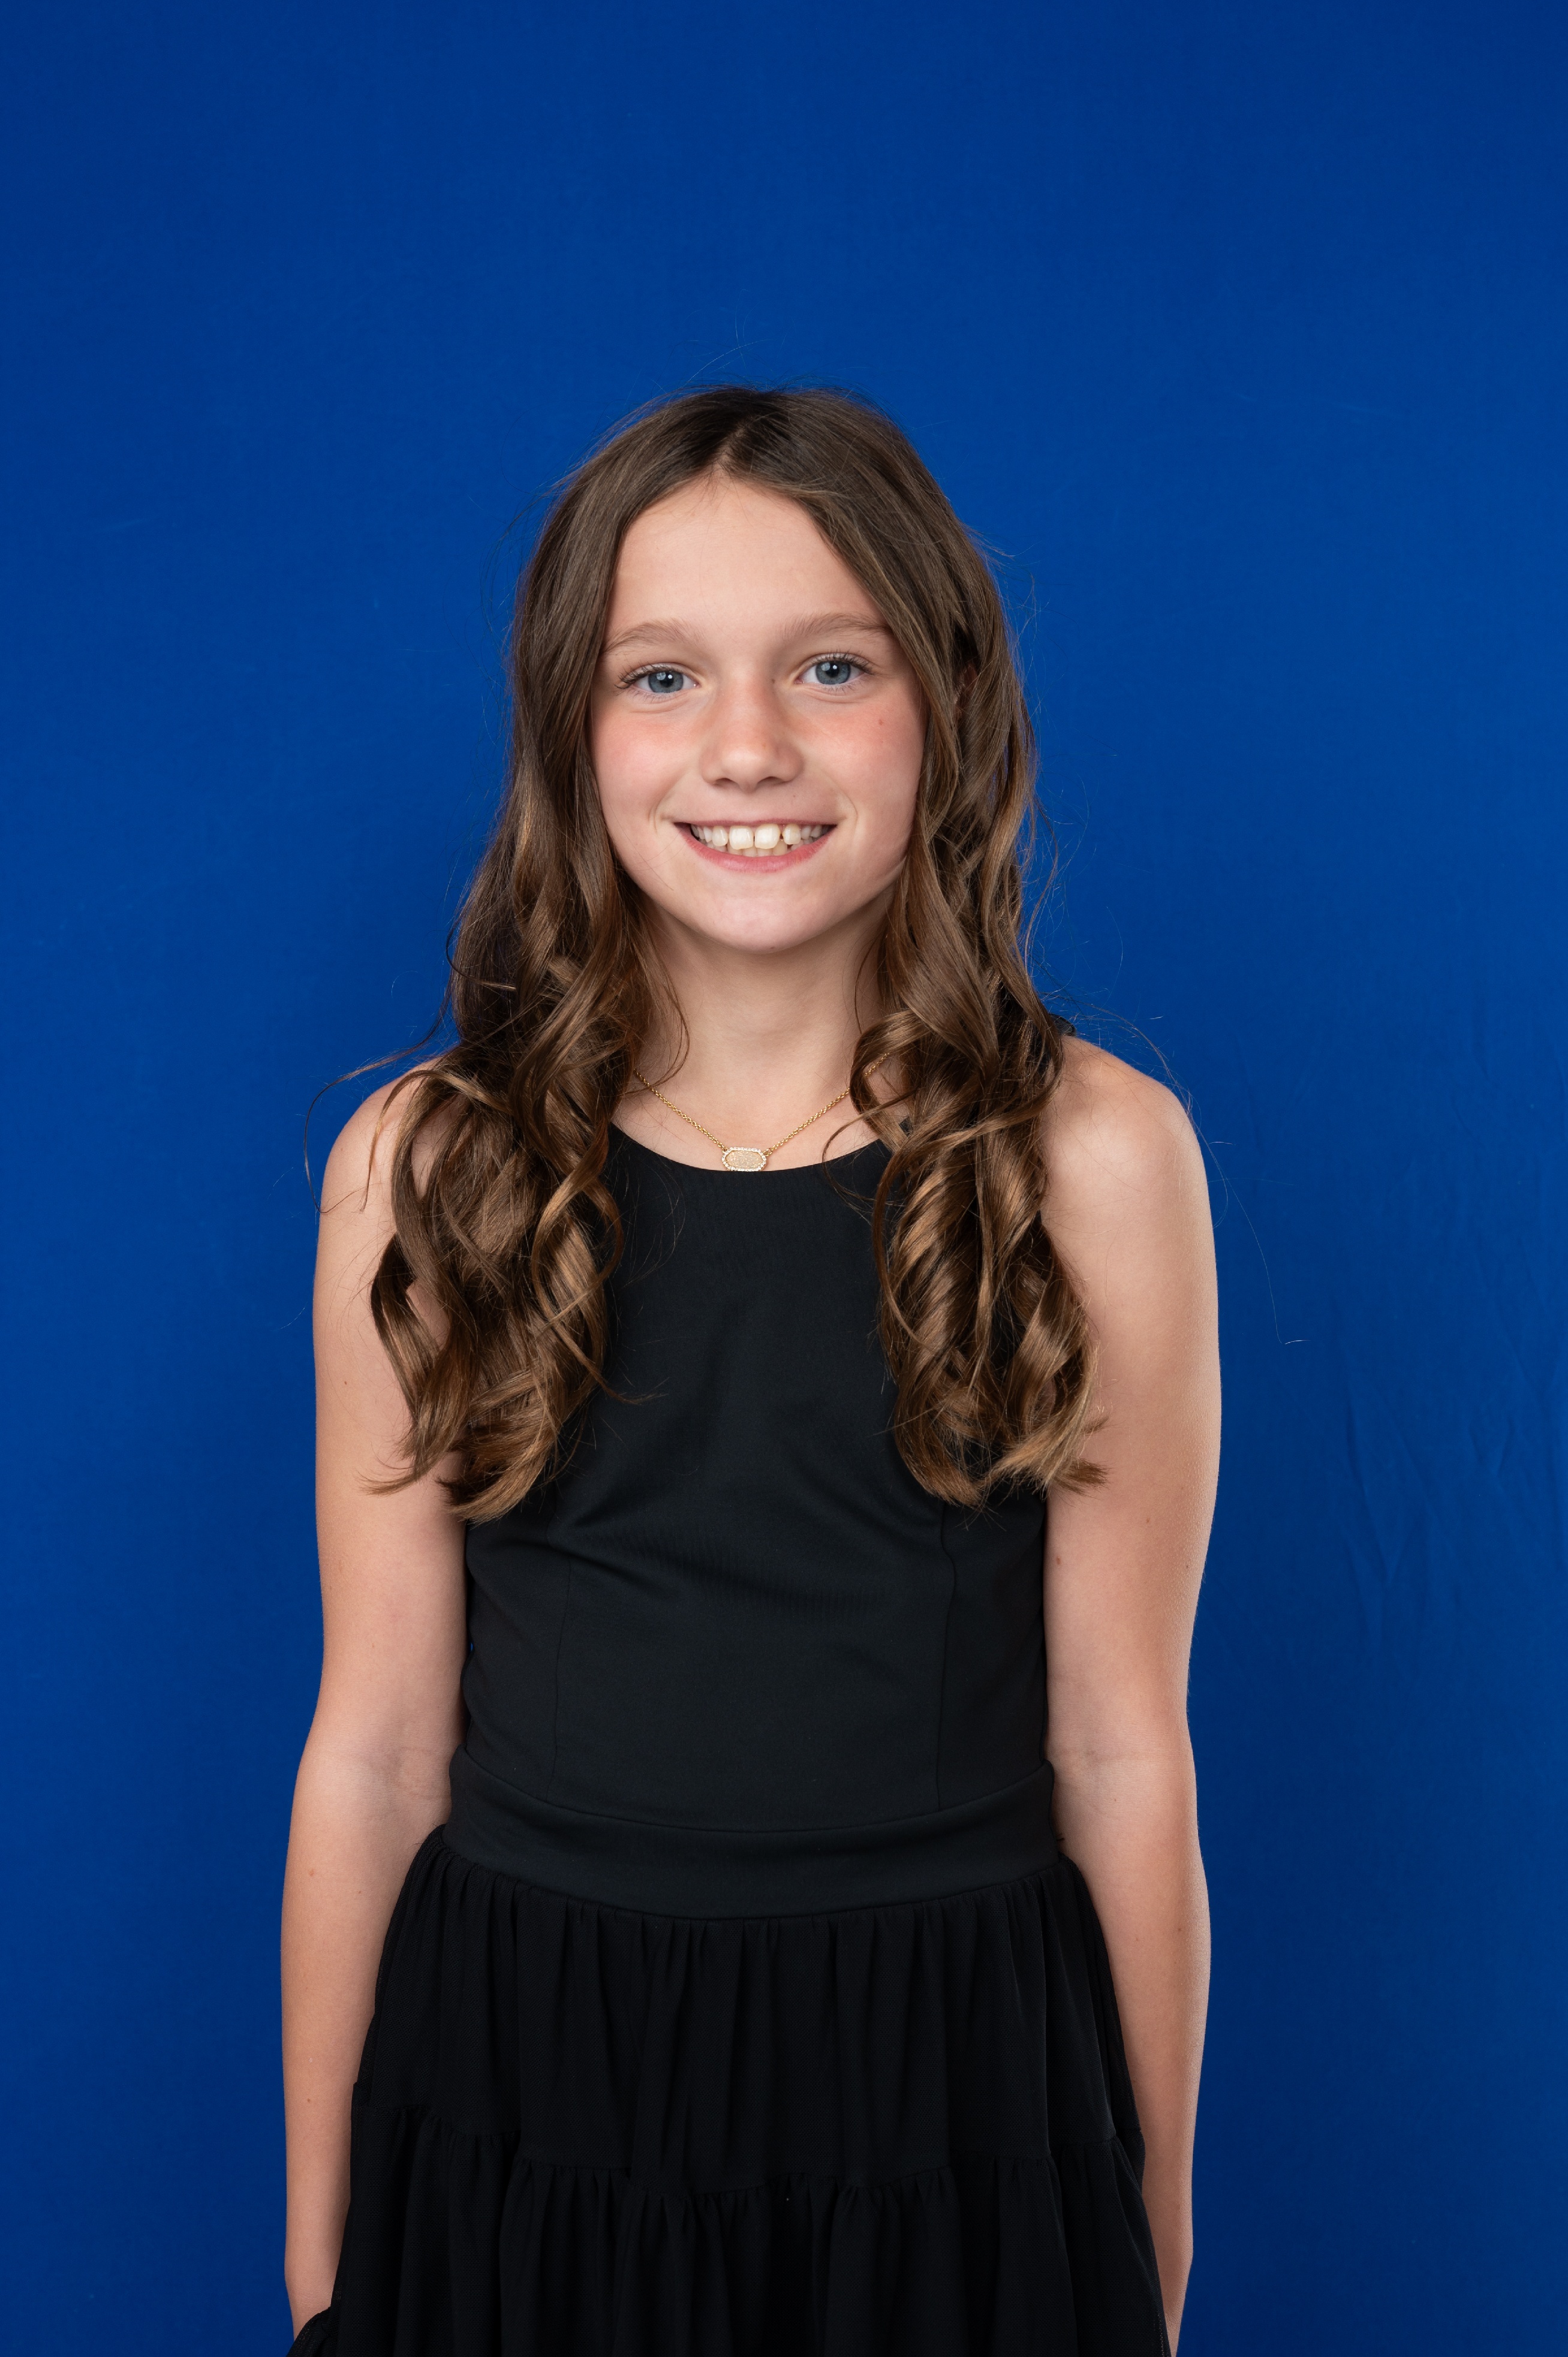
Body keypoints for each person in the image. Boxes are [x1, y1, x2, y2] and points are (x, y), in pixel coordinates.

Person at [281, 385, 1218, 2357]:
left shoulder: (1097, 1159)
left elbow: (1124, 1742)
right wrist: (325, 2252)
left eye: (830, 666)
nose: (749, 747)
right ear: (573, 730)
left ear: (946, 700)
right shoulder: (427, 1167)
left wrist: (1147, 2226)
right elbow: (375, 1744)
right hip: (527, 2087)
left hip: (952, 2098)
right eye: (663, 675)